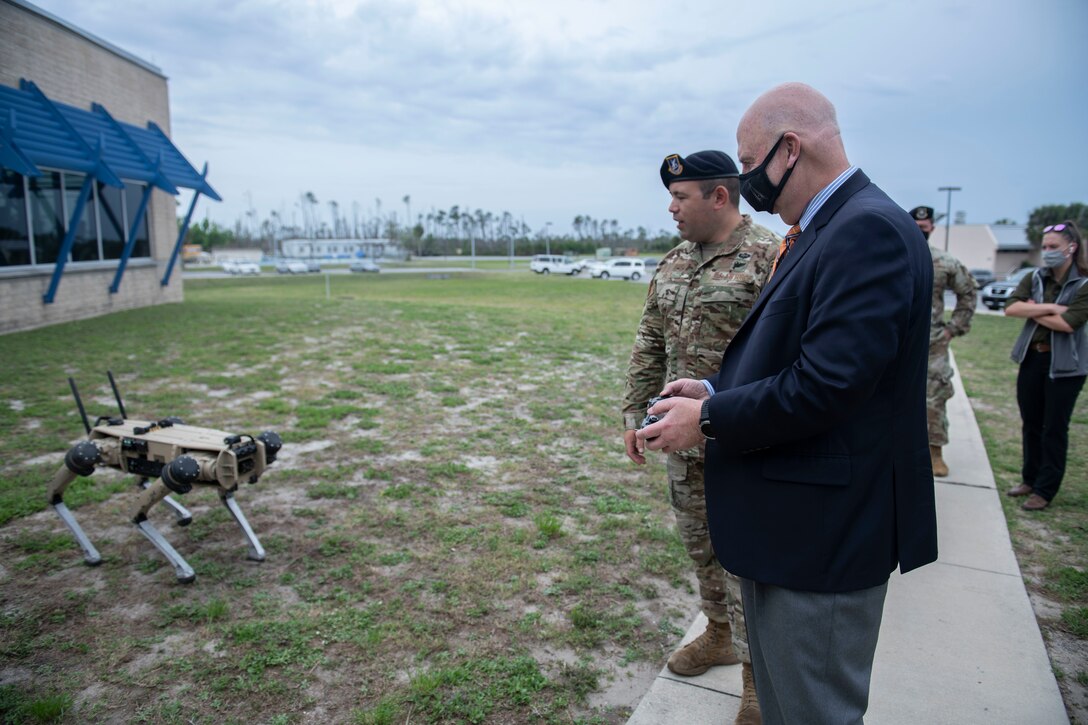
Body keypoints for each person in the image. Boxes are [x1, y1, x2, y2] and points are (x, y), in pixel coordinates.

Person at [636, 82, 937, 724]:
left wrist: (709, 418)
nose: (748, 181)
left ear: (790, 149)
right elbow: (798, 359)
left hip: (822, 536)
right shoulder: (828, 227)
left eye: (750, 164)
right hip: (794, 526)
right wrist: (714, 388)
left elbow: (828, 386)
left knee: (812, 712)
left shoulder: (866, 231)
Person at [623, 150, 777, 725]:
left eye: (680, 197)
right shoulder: (674, 263)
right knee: (701, 547)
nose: (671, 208)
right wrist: (633, 413)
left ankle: (757, 681)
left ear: (719, 196)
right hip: (681, 443)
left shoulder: (770, 257)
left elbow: (786, 354)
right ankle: (718, 633)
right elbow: (650, 341)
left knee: (746, 560)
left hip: (744, 440)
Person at [1004, 220, 1088, 511]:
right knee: (1031, 422)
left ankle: (1045, 489)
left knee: (1054, 427)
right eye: (1045, 247)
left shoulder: (1084, 283)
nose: (1048, 252)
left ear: (1071, 247)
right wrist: (1050, 307)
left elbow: (1068, 324)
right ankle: (1029, 478)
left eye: (1054, 247)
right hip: (1033, 358)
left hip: (1066, 366)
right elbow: (1011, 307)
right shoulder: (1036, 277)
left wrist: (1032, 309)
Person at [910, 205, 977, 477]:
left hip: (932, 341)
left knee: (934, 396)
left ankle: (935, 451)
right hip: (897, 337)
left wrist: (954, 328)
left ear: (932, 229)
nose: (920, 232)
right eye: (915, 227)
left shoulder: (945, 261)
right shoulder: (893, 255)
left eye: (924, 229)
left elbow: (968, 292)